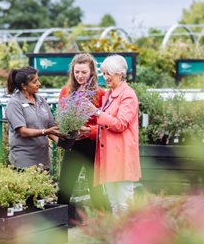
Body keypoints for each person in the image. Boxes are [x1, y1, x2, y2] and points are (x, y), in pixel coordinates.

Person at [57, 53, 109, 222]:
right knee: (65, 187)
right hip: (73, 144)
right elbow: (62, 118)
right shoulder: (66, 92)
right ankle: (64, 223)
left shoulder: (101, 94)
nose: (80, 76)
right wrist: (68, 129)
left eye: (84, 72)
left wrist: (91, 130)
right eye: (76, 72)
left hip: (92, 146)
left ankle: (105, 224)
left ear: (92, 73)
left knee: (95, 188)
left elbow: (106, 122)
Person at [89, 54, 141, 215]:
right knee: (114, 203)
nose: (105, 77)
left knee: (124, 203)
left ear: (119, 73)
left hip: (122, 156)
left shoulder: (128, 95)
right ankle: (116, 237)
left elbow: (119, 124)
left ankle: (128, 237)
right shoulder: (109, 94)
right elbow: (106, 124)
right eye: (103, 74)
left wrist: (97, 113)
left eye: (108, 73)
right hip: (110, 156)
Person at [5, 66, 61, 170]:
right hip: (24, 160)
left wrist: (63, 143)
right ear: (24, 86)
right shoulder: (14, 103)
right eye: (35, 82)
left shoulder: (41, 100)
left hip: (43, 160)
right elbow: (23, 131)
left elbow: (51, 127)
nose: (39, 83)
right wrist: (45, 131)